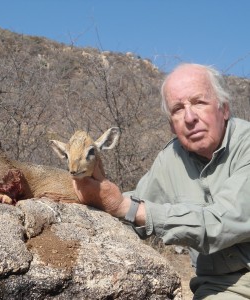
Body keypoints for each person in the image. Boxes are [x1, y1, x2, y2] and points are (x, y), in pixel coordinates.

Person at [72, 63, 250, 299]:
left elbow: (218, 225)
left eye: (199, 102)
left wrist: (124, 206)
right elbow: (133, 207)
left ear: (224, 109)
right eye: (178, 109)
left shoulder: (246, 145)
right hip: (218, 286)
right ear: (171, 125)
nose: (189, 117)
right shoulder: (170, 158)